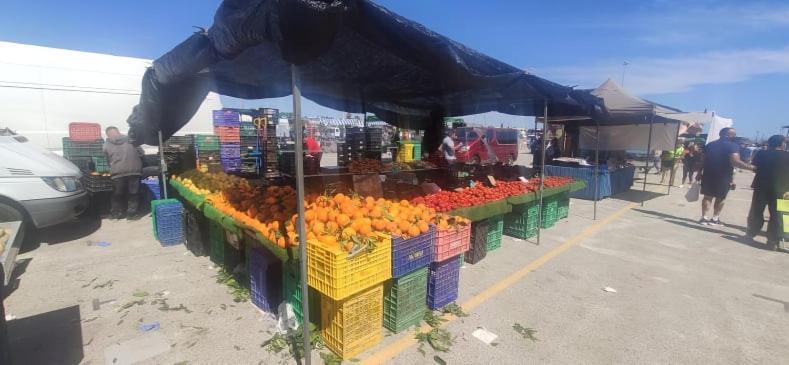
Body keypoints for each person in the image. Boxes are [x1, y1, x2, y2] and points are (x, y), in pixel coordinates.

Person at [698, 127, 755, 226]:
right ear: (728, 135)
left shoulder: (710, 145)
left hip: (708, 174)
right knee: (721, 197)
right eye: (733, 134)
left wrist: (699, 172)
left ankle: (704, 218)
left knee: (707, 196)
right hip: (724, 176)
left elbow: (702, 160)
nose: (735, 136)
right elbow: (735, 162)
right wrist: (752, 168)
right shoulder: (733, 146)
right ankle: (715, 219)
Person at [746, 135, 787, 250]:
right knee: (780, 215)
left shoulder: (761, 153)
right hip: (783, 190)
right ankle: (773, 240)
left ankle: (751, 233)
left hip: (761, 187)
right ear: (782, 143)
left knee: (757, 210)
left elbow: (754, 167)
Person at [103, 126, 144, 219]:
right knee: (133, 193)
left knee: (117, 194)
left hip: (117, 172)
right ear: (118, 132)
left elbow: (107, 160)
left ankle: (116, 214)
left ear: (108, 135)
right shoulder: (132, 140)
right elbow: (142, 153)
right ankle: (132, 214)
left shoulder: (106, 145)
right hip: (134, 170)